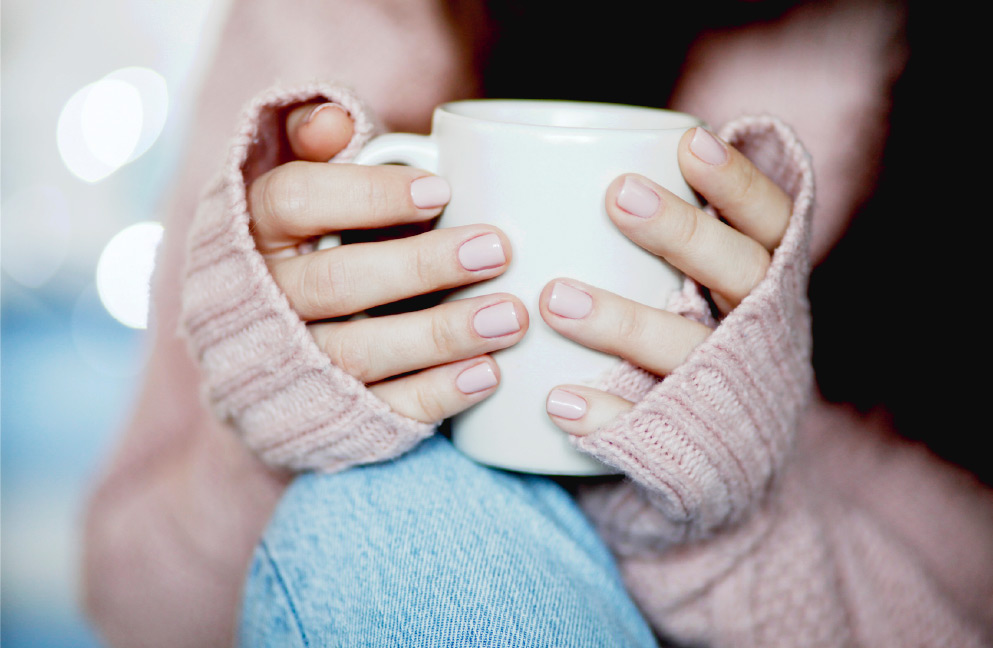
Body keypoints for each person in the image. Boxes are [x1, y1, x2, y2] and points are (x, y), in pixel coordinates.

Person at [82, 0, 993, 646]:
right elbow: (129, 609)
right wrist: (268, 437)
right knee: (382, 520)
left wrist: (734, 529)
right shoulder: (345, 24)